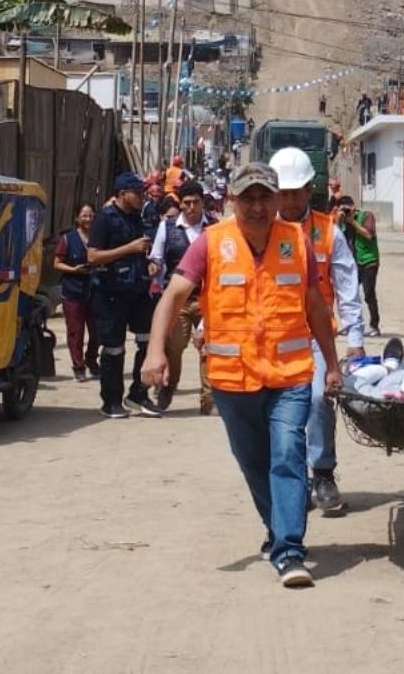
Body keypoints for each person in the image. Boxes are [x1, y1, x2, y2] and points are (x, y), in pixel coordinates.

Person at [141, 163, 344, 588]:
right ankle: (277, 528)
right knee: (254, 463)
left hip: (290, 376)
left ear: (275, 200)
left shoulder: (297, 242)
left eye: (264, 197)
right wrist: (156, 351)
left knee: (288, 454)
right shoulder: (211, 244)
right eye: (247, 197)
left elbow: (315, 307)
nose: (256, 206)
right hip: (233, 381)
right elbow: (173, 295)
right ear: (232, 200)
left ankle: (289, 551)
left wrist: (333, 363)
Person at [270, 148, 366, 516]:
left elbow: (347, 288)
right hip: (273, 335)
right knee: (275, 413)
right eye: (284, 192)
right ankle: (292, 480)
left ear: (311, 189)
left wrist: (355, 341)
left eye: (297, 191)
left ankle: (323, 472)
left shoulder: (329, 232)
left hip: (315, 338)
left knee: (316, 399)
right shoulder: (261, 229)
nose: (290, 200)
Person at [88, 172, 166, 418]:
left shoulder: (138, 218)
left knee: (147, 343)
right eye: (138, 193)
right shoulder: (105, 219)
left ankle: (138, 394)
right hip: (111, 294)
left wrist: (151, 265)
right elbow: (93, 256)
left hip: (139, 290)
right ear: (123, 194)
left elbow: (142, 252)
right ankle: (111, 401)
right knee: (113, 349)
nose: (142, 197)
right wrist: (128, 248)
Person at [149, 180, 217, 412]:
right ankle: (168, 388)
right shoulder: (167, 227)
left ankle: (208, 400)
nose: (190, 208)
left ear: (202, 203)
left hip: (207, 299)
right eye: (186, 203)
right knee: (173, 348)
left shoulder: (214, 228)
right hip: (178, 300)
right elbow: (157, 257)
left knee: (209, 349)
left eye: (195, 202)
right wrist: (154, 268)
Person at [53, 204, 100, 381]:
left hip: (95, 290)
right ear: (77, 218)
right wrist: (74, 270)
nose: (88, 219)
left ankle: (92, 360)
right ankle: (78, 366)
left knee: (97, 331)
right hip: (73, 291)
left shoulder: (99, 238)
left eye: (91, 216)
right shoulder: (67, 239)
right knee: (76, 331)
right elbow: (56, 264)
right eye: (84, 216)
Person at [335, 195, 381, 336]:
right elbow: (335, 236)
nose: (347, 212)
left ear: (353, 206)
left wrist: (352, 222)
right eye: (343, 209)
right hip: (353, 262)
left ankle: (375, 326)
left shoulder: (366, 216)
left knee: (368, 293)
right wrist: (339, 220)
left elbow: (368, 235)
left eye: (348, 208)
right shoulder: (343, 221)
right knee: (349, 295)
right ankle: (349, 324)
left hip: (369, 260)